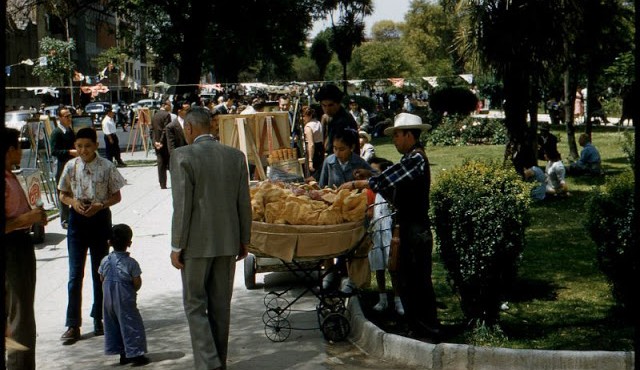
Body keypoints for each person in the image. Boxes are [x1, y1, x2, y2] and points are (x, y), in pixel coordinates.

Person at [341, 113, 440, 341]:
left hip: (415, 230)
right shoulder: (410, 160)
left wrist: (360, 182)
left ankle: (427, 331)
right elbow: (392, 177)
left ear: (408, 135)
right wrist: (372, 174)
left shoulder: (415, 159)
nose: (394, 140)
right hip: (410, 228)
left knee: (417, 282)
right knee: (408, 280)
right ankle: (418, 328)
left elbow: (387, 180)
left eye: (396, 135)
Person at [169, 107, 251, 370]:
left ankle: (208, 362)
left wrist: (176, 245)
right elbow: (244, 203)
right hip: (228, 242)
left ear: (190, 128)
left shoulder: (182, 156)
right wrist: (244, 239)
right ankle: (219, 361)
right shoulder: (235, 156)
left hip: (195, 244)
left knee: (195, 305)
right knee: (220, 306)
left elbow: (182, 206)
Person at [58, 127, 126, 343]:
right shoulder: (71, 166)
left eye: (87, 146)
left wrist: (101, 205)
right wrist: (73, 203)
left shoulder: (107, 166)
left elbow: (117, 195)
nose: (83, 150)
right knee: (74, 275)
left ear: (96, 145)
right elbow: (63, 194)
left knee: (101, 272)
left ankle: (99, 318)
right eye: (79, 146)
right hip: (77, 223)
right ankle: (72, 324)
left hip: (99, 220)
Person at [4, 128, 49, 370]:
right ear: (10, 150)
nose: (21, 153)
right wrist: (24, 220)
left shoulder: (10, 176)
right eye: (19, 148)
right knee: (20, 317)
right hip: (12, 251)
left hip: (18, 246)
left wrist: (32, 217)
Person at [318, 127, 374, 293]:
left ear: (351, 147)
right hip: (333, 211)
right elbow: (323, 187)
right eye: (334, 148)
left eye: (341, 149)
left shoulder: (360, 163)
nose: (337, 152)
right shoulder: (329, 162)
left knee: (351, 246)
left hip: (354, 213)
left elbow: (374, 179)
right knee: (328, 242)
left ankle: (350, 278)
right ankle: (329, 273)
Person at [99, 224, 149, 366]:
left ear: (109, 243)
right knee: (131, 323)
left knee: (113, 324)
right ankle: (136, 354)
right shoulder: (131, 263)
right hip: (124, 297)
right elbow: (137, 282)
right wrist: (132, 290)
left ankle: (122, 353)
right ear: (129, 243)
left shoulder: (105, 261)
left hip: (108, 299)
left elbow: (101, 278)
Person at [366, 157, 404, 315]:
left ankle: (398, 299)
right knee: (378, 265)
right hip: (376, 229)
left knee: (393, 266)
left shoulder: (390, 190)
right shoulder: (371, 191)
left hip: (388, 229)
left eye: (376, 172)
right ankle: (382, 298)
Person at [50, 107, 78, 229]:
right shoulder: (57, 133)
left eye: (70, 116)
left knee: (74, 191)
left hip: (72, 164)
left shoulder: (70, 130)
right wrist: (69, 152)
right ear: (60, 118)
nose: (69, 118)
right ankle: (64, 219)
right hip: (61, 165)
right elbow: (54, 151)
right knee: (63, 191)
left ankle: (74, 216)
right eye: (66, 116)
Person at [315, 84, 359, 154]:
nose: (327, 109)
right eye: (324, 105)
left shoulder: (344, 121)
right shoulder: (333, 119)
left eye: (331, 105)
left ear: (338, 103)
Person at [151, 99, 172, 189]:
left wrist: (155, 142)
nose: (170, 106)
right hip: (165, 143)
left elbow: (152, 130)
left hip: (157, 144)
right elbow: (166, 130)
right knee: (170, 163)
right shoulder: (167, 115)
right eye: (169, 104)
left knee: (160, 163)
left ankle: (162, 184)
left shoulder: (154, 115)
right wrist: (161, 141)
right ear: (164, 105)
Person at [302, 105, 324, 180]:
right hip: (320, 149)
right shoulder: (318, 123)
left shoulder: (308, 127)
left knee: (311, 176)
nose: (303, 118)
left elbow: (311, 144)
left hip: (312, 152)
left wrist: (310, 160)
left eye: (304, 116)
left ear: (310, 115)